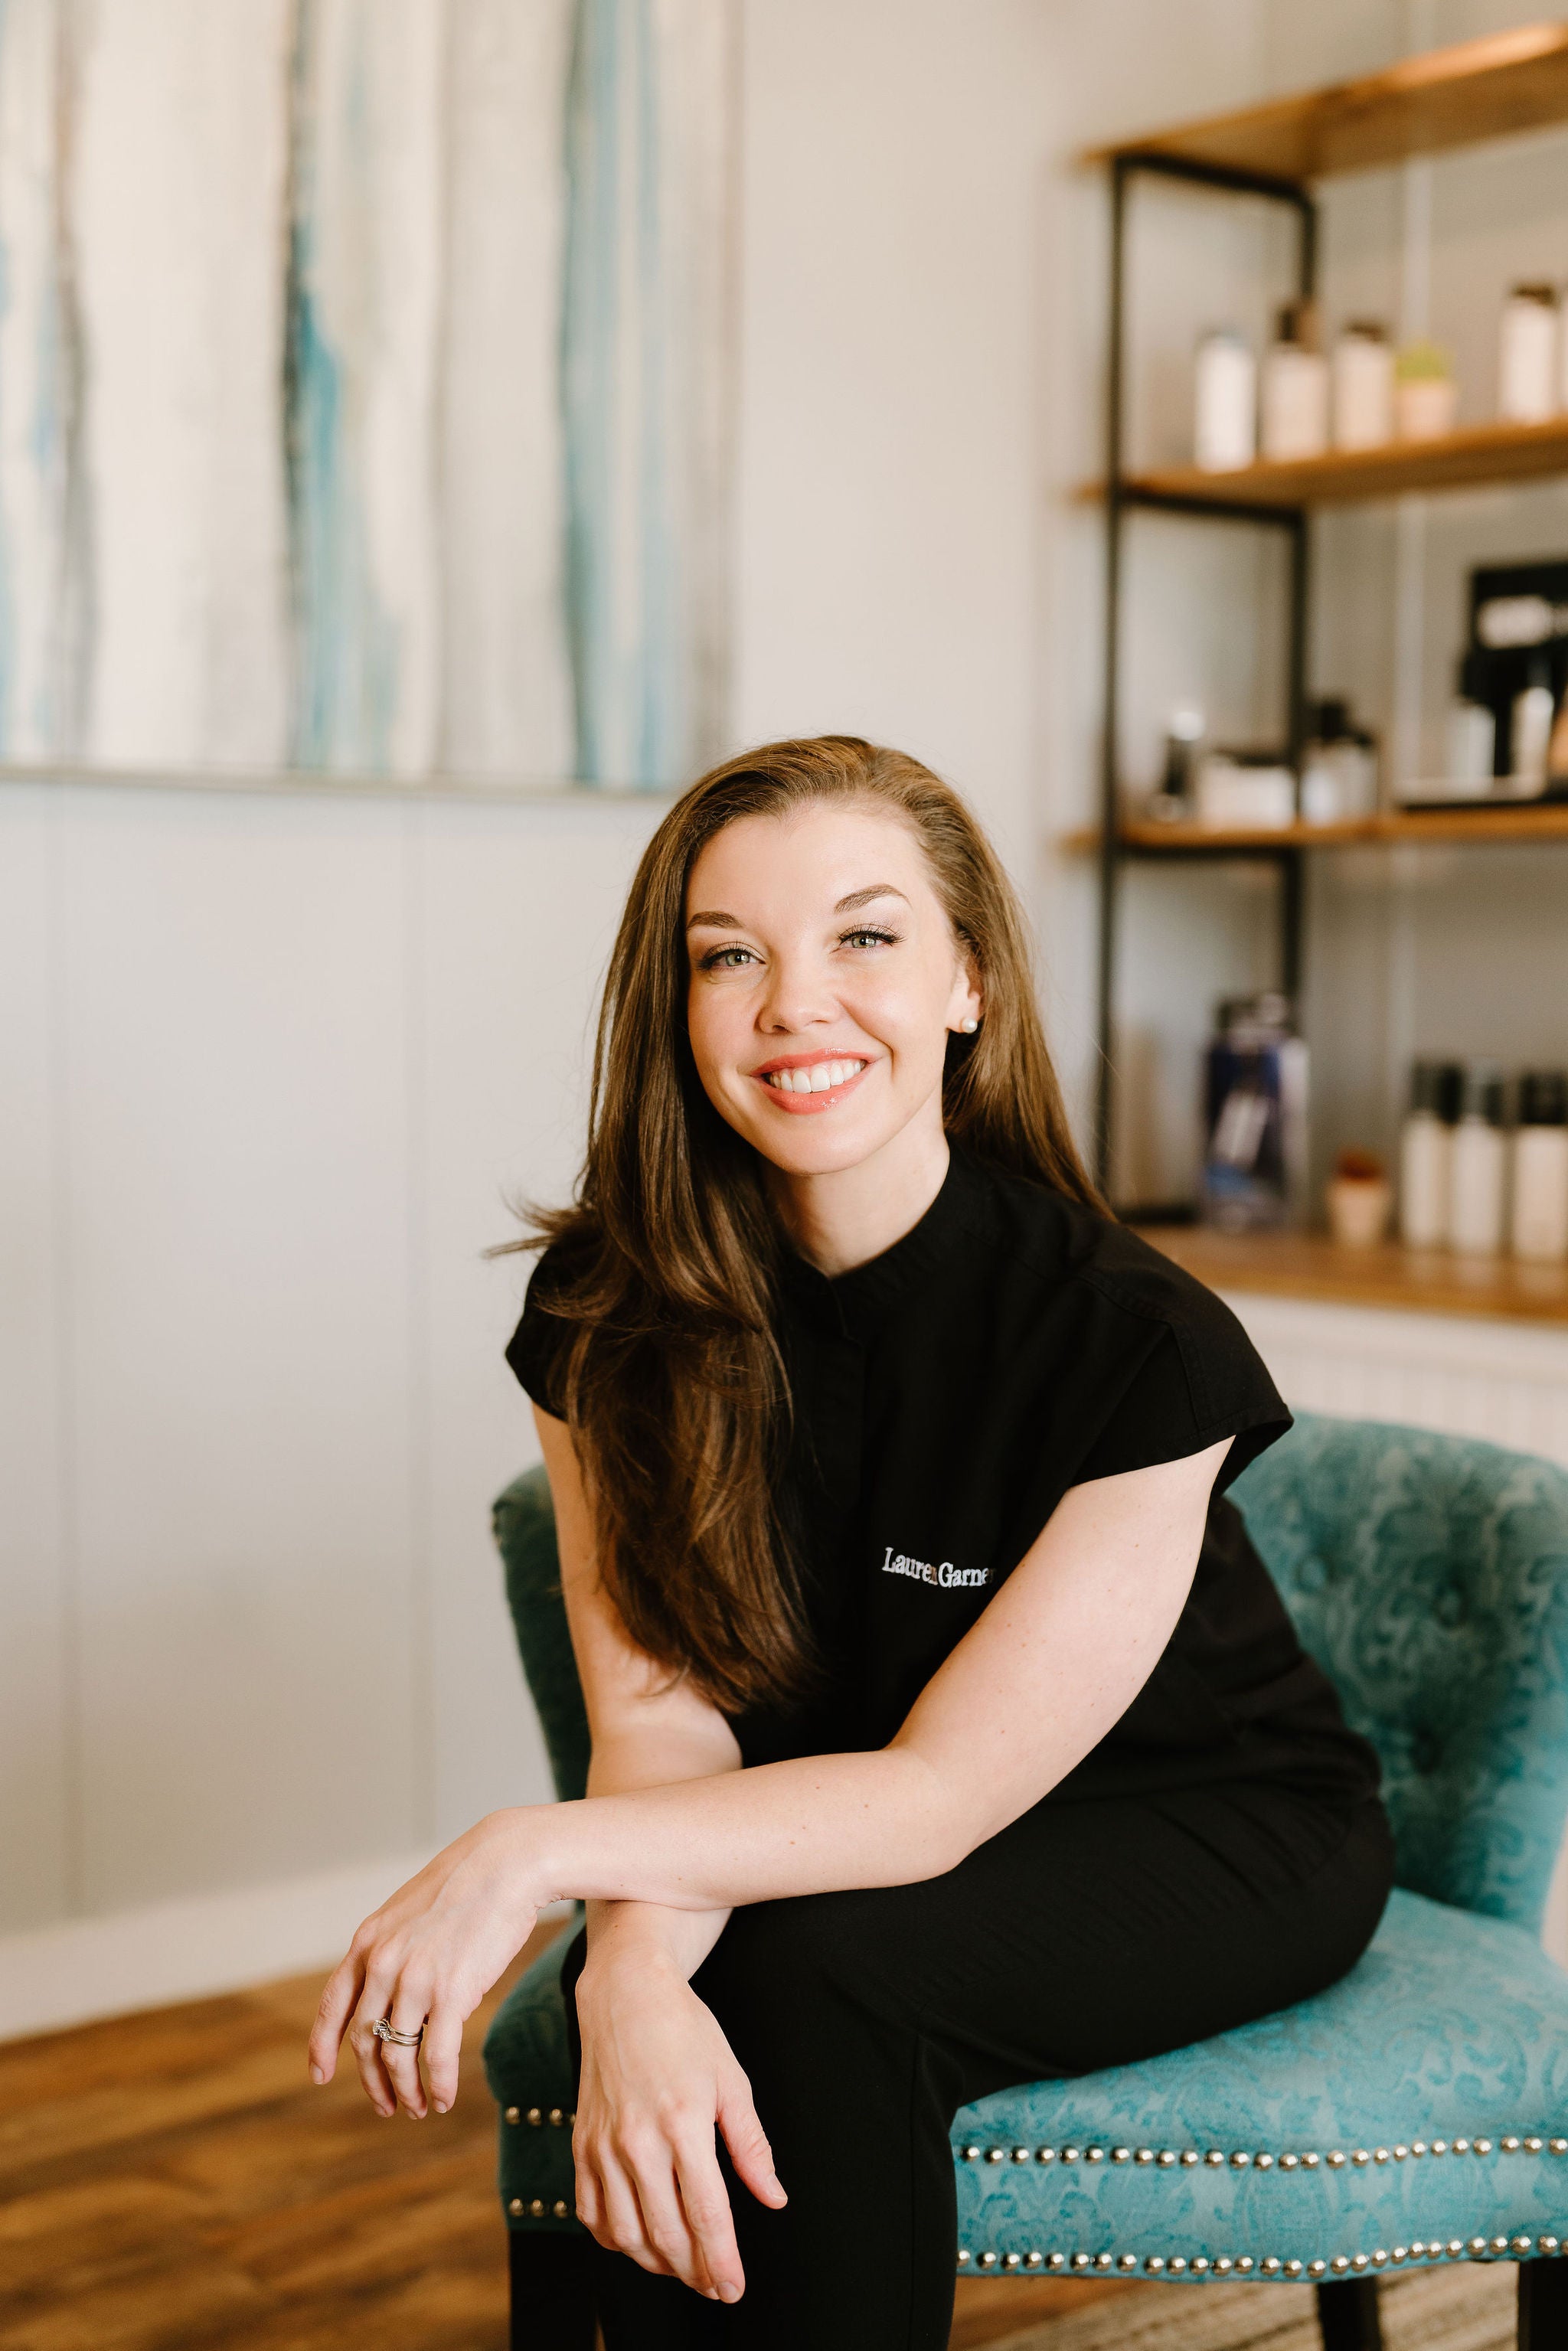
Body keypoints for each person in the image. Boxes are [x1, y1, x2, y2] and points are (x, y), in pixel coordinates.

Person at [309, 736, 1391, 2350]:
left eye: (864, 937)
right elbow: (665, 1733)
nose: (793, 1005)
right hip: (858, 1808)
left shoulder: (1136, 1345)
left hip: (1209, 1819)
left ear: (967, 981)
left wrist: (529, 1854)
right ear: (675, 1004)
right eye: (728, 956)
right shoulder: (608, 1316)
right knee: (693, 1995)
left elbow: (940, 1797)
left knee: (810, 1979)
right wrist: (627, 1979)